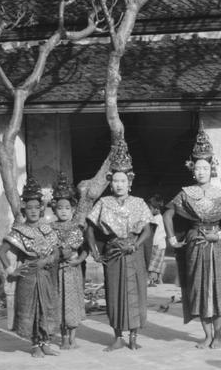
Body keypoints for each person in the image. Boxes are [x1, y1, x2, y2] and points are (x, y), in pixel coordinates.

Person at [162, 123, 221, 349]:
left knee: (218, 287)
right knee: (198, 287)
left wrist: (220, 235)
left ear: (212, 168)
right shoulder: (186, 193)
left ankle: (219, 335)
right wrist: (171, 239)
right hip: (195, 242)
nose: (201, 171)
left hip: (217, 243)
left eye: (205, 167)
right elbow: (167, 215)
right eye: (197, 168)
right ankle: (206, 336)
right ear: (192, 169)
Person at [86, 138, 152, 351]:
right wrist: (94, 251)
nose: (119, 185)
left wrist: (136, 244)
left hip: (134, 251)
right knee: (114, 293)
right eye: (115, 181)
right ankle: (117, 336)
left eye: (123, 181)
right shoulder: (103, 203)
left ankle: (133, 336)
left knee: (136, 293)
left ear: (129, 182)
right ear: (110, 182)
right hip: (113, 252)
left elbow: (147, 229)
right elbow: (89, 226)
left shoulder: (139, 203)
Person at [0, 176, 60, 358]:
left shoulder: (47, 229)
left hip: (46, 275)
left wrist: (47, 261)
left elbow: (56, 252)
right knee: (31, 308)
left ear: (41, 209)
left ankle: (45, 343)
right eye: (29, 208)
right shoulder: (19, 231)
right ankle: (35, 345)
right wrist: (12, 270)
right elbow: (1, 252)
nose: (33, 211)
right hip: (28, 277)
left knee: (46, 307)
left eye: (36, 207)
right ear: (24, 209)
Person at [51, 173, 87, 350]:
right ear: (54, 210)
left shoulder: (77, 227)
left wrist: (79, 259)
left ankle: (73, 336)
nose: (63, 211)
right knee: (59, 303)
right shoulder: (49, 229)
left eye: (67, 208)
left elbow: (85, 249)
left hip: (72, 272)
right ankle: (63, 336)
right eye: (60, 208)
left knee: (72, 303)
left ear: (72, 209)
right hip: (57, 271)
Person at [146, 194, 166, 287]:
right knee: (155, 263)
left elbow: (151, 231)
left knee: (153, 263)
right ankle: (156, 280)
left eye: (150, 208)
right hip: (160, 244)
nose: (148, 210)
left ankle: (151, 280)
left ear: (156, 209)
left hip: (157, 244)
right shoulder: (157, 217)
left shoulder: (157, 218)